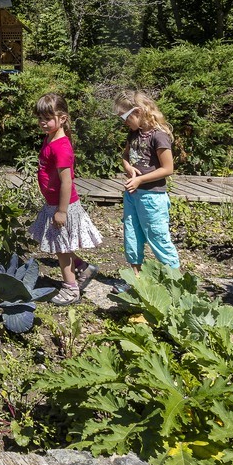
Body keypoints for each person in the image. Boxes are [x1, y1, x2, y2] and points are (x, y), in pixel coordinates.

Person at [27, 93, 103, 305]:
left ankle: (71, 289)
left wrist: (61, 211)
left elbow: (67, 181)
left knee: (61, 249)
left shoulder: (61, 147)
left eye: (47, 118)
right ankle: (84, 268)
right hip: (54, 203)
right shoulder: (50, 137)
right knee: (63, 243)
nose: (42, 122)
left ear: (62, 118)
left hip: (63, 205)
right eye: (40, 117)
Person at [116, 90, 180, 273]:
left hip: (152, 197)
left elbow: (168, 168)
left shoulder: (159, 136)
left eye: (126, 118)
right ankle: (136, 280)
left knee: (158, 237)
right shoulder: (133, 134)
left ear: (138, 112)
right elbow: (126, 155)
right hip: (132, 195)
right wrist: (128, 167)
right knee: (132, 236)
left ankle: (175, 281)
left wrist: (140, 180)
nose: (124, 122)